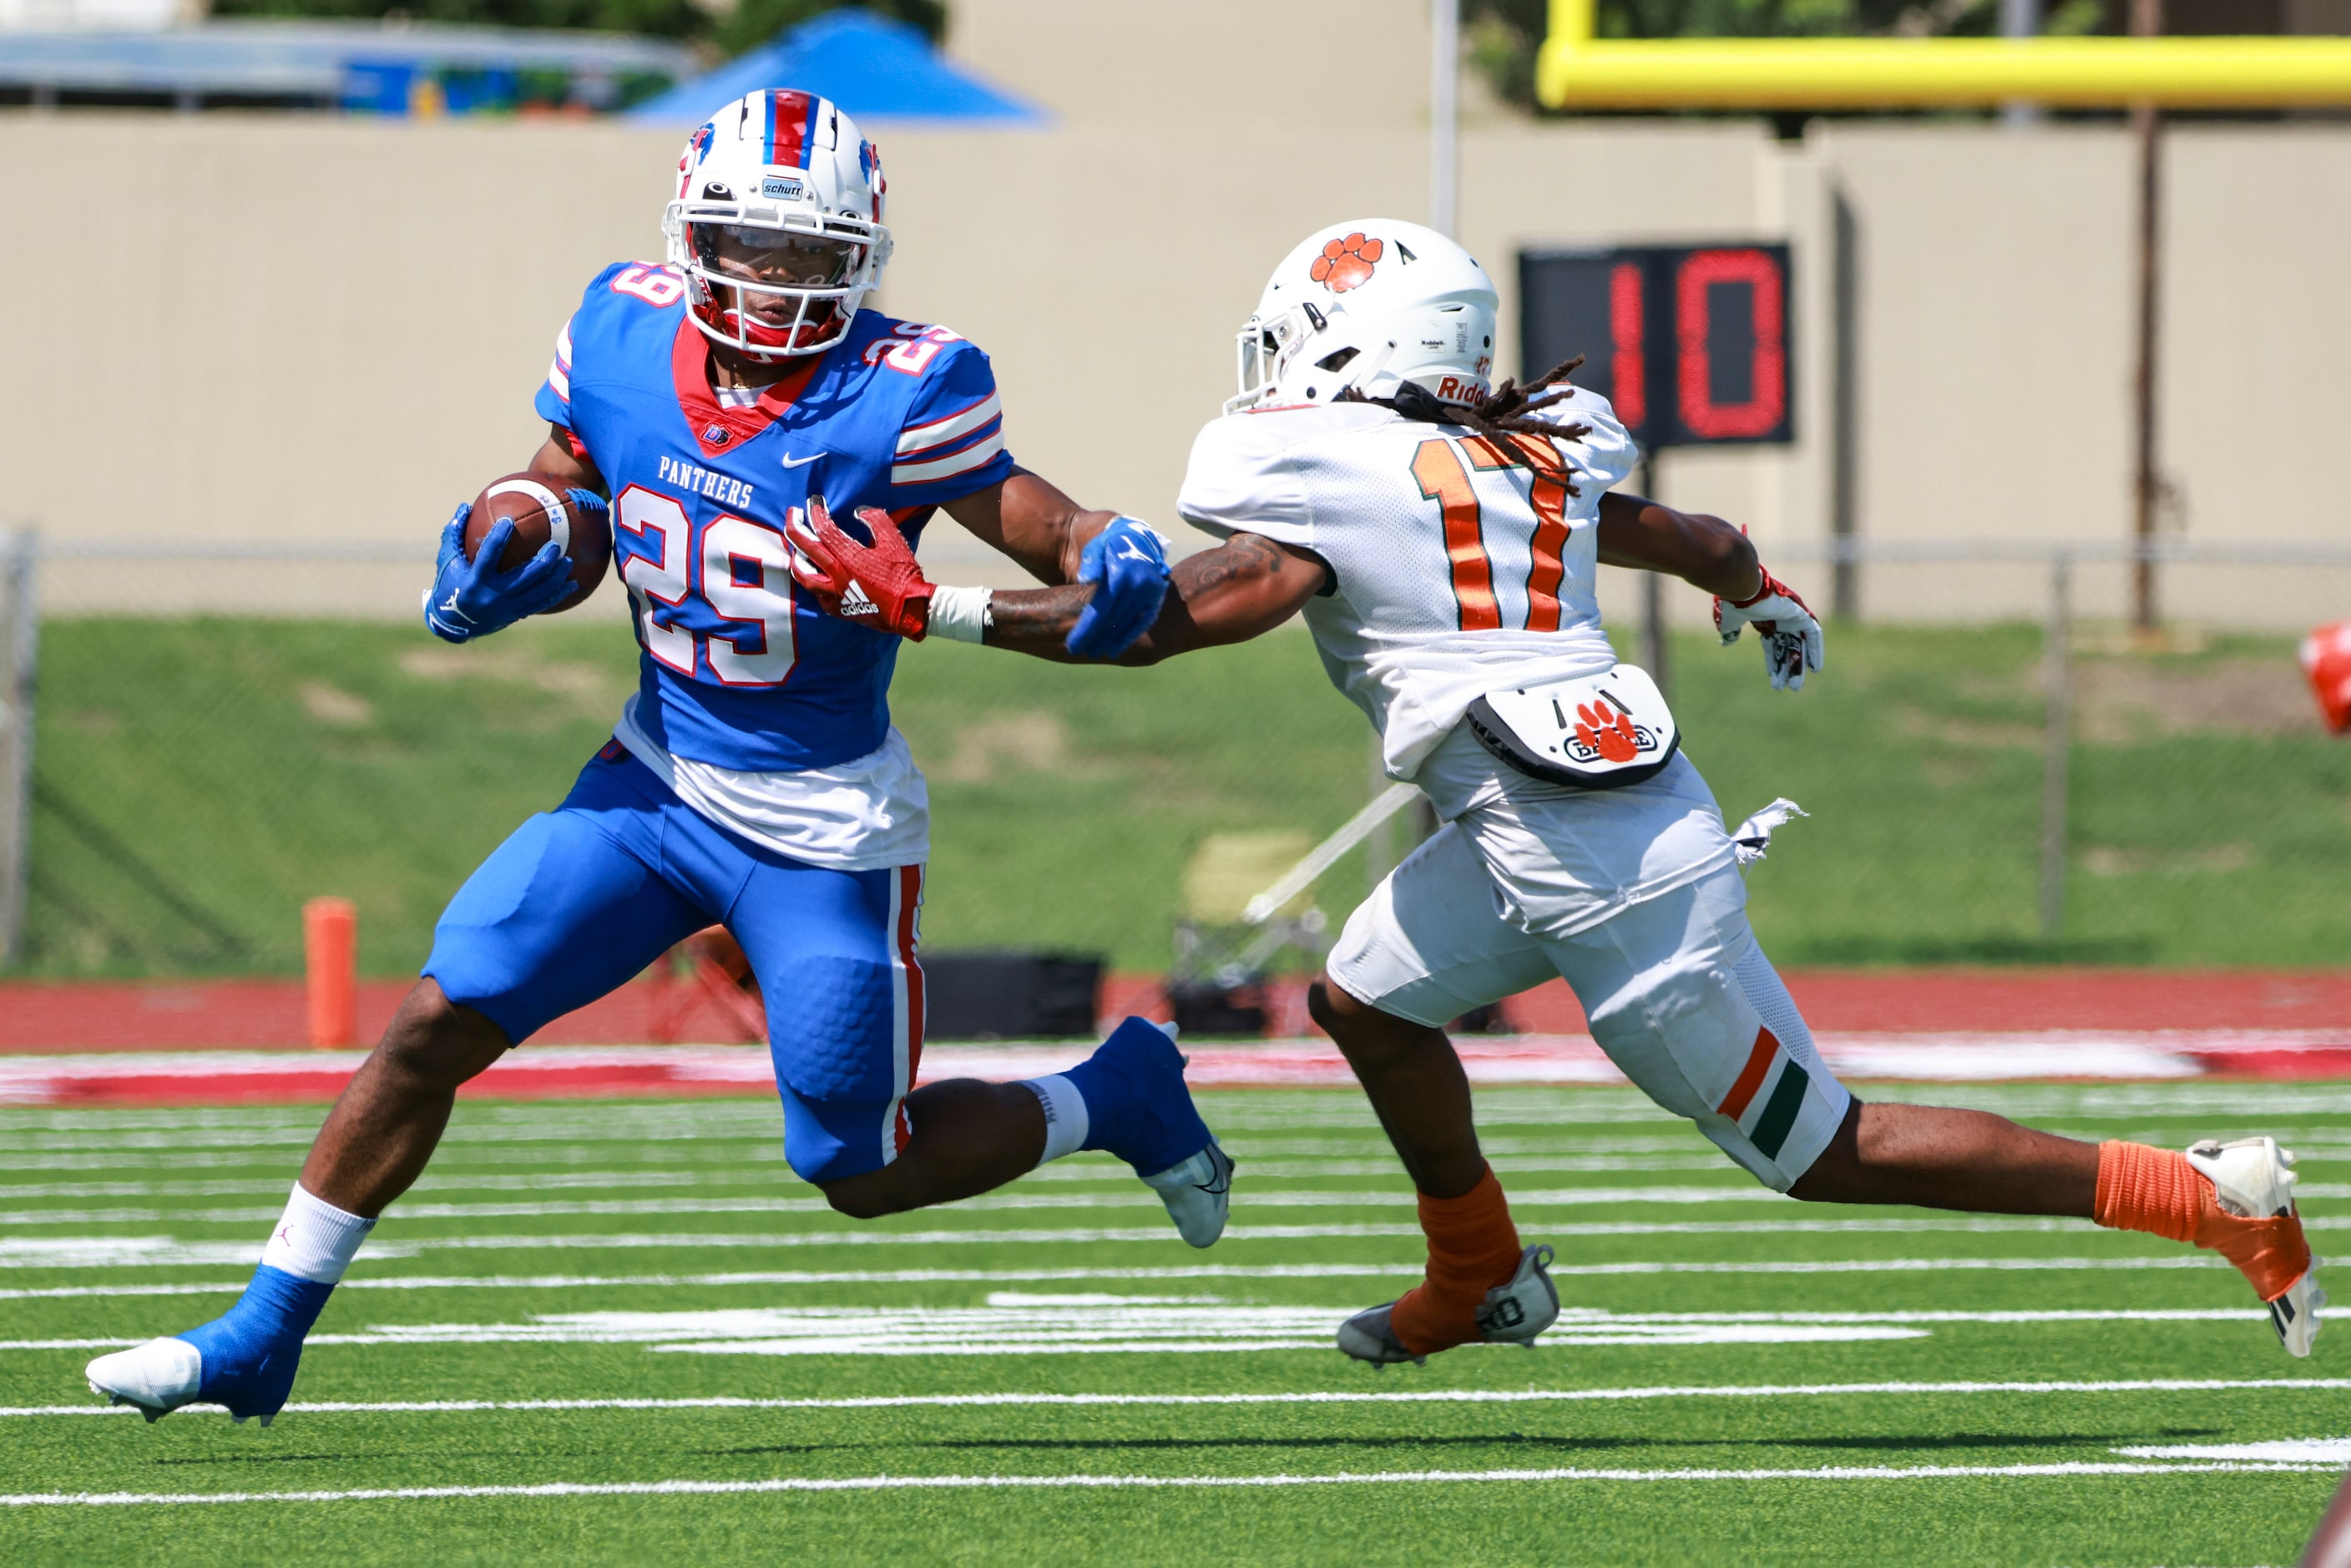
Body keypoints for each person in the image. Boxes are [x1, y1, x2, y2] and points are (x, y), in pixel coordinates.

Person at [783, 216, 2321, 1368]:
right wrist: (1761, 588)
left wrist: (937, 610)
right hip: (1550, 813)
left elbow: (1170, 619)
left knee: (1823, 1148)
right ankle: (1482, 1272)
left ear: (1353, 344)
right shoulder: (1537, 446)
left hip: (1608, 868)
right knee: (1366, 998)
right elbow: (1695, 533)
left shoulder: (1322, 466)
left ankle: (2201, 1195)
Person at [85, 90, 1232, 1427]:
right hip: (652, 782)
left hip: (820, 824)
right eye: (751, 244)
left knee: (857, 1164)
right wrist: (510, 548)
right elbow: (566, 488)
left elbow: (1060, 539)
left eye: (810, 255)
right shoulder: (621, 332)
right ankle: (262, 1329)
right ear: (694, 234)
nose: (778, 279)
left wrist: (1111, 549)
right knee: (433, 1020)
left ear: (861, 255)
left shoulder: (905, 390)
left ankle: (1116, 1093)